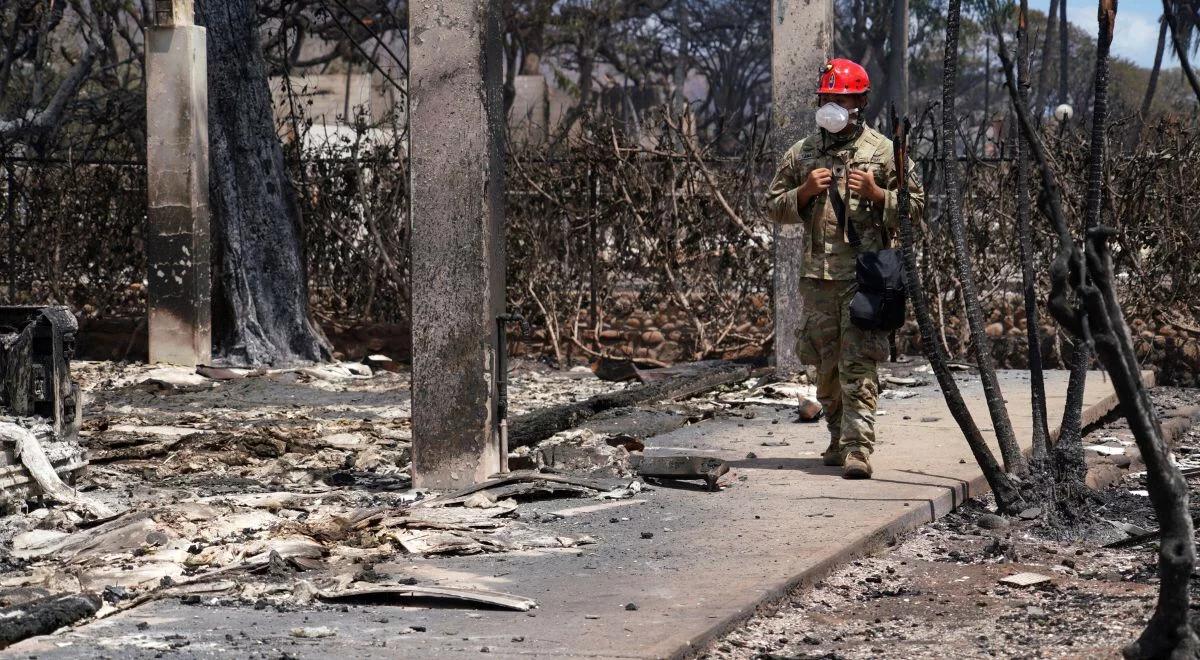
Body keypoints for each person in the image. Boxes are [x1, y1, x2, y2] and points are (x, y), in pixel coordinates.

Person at [765, 58, 925, 479]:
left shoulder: (885, 152)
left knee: (858, 364)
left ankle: (858, 449)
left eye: (842, 98)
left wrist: (879, 194)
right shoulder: (802, 153)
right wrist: (803, 192)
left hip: (865, 278)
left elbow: (918, 208)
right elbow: (772, 206)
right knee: (826, 367)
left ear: (860, 103)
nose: (833, 105)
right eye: (827, 98)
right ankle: (837, 439)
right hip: (818, 279)